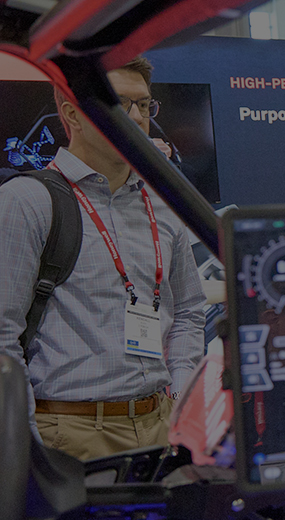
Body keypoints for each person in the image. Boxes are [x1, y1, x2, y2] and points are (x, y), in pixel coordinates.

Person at [0, 56, 205, 461]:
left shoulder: (164, 204)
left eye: (144, 105)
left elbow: (189, 312)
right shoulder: (27, 201)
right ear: (72, 114)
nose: (137, 117)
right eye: (119, 104)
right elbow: (3, 335)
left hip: (160, 425)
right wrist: (26, 443)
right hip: (69, 433)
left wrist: (180, 399)